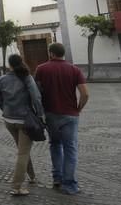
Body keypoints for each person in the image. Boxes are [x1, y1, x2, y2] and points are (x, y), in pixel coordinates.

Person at [34, 43, 89, 195]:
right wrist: (79, 108)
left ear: (51, 53)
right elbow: (85, 93)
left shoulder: (41, 69)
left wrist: (40, 112)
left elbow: (37, 94)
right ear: (63, 54)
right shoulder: (74, 69)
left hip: (50, 114)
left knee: (55, 144)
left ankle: (57, 178)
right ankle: (69, 184)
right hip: (70, 115)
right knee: (70, 148)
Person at [0, 54, 45, 196]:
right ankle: (16, 186)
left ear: (9, 64)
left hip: (9, 120)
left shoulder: (2, 79)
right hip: (24, 120)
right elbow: (36, 97)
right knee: (23, 152)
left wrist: (6, 111)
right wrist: (40, 115)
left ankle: (32, 176)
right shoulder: (26, 77)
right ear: (21, 62)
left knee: (23, 149)